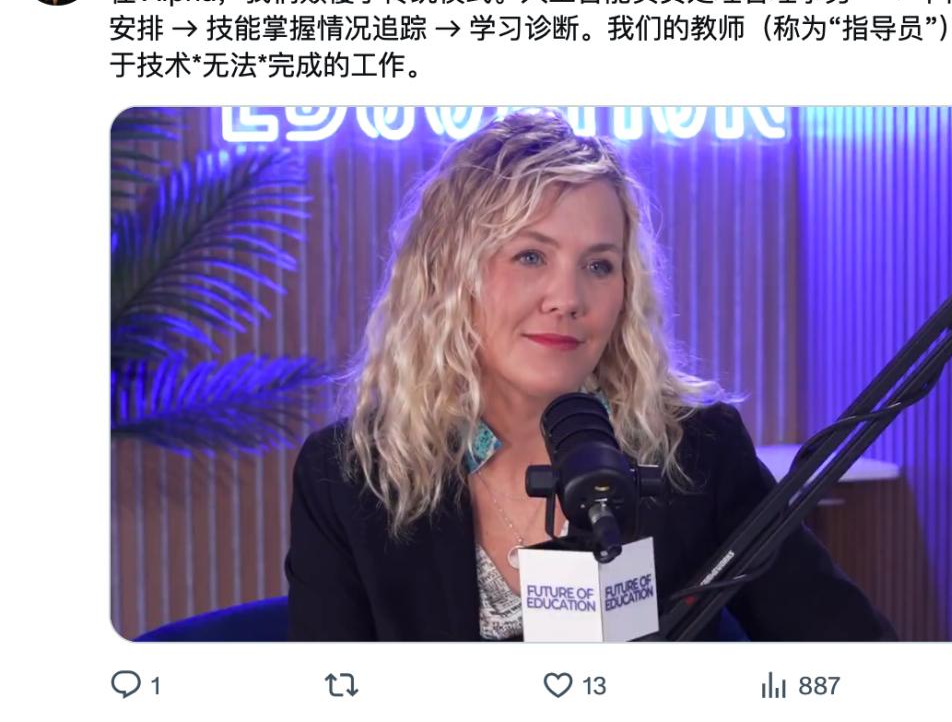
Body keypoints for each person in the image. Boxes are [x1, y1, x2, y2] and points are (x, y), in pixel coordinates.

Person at [286, 109, 897, 641]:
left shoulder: (696, 452)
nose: (568, 298)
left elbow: (854, 653)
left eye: (599, 265)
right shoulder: (348, 476)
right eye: (530, 256)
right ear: (449, 275)